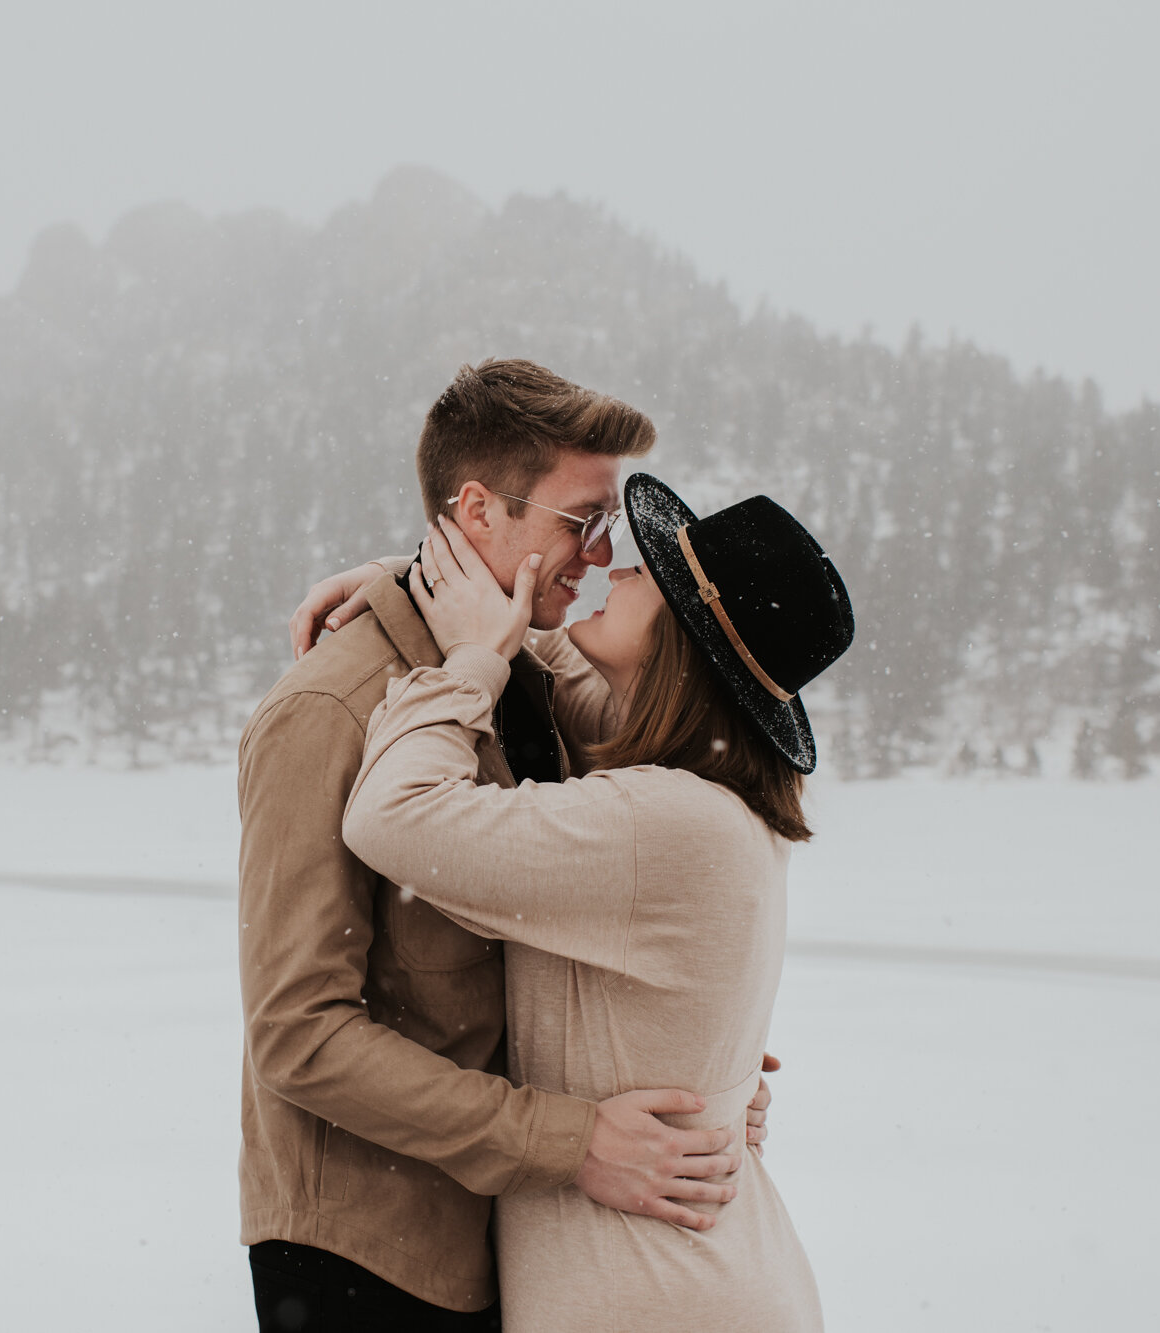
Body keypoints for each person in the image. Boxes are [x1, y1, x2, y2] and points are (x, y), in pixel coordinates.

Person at [238, 361, 771, 1332]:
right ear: (477, 510)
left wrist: (705, 1060)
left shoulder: (528, 681)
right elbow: (297, 1038)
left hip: (515, 1251)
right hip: (367, 1258)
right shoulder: (328, 710)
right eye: (582, 520)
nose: (602, 553)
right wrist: (570, 1141)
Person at [341, 475, 855, 1331]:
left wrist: (467, 662)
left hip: (660, 1296)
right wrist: (406, 583)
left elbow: (391, 814)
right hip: (703, 1280)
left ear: (683, 644)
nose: (612, 568)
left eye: (645, 574)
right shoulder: (717, 801)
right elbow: (542, 658)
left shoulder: (668, 822)